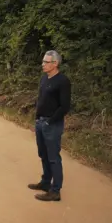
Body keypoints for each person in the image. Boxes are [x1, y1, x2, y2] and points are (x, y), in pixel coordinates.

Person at [28, 50, 71, 201]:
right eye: (43, 61)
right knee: (43, 155)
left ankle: (55, 191)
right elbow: (41, 100)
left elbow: (64, 107)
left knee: (53, 157)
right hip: (40, 122)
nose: (43, 64)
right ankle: (46, 182)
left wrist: (49, 121)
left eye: (46, 62)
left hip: (52, 124)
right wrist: (37, 118)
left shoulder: (62, 81)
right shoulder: (44, 78)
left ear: (55, 63)